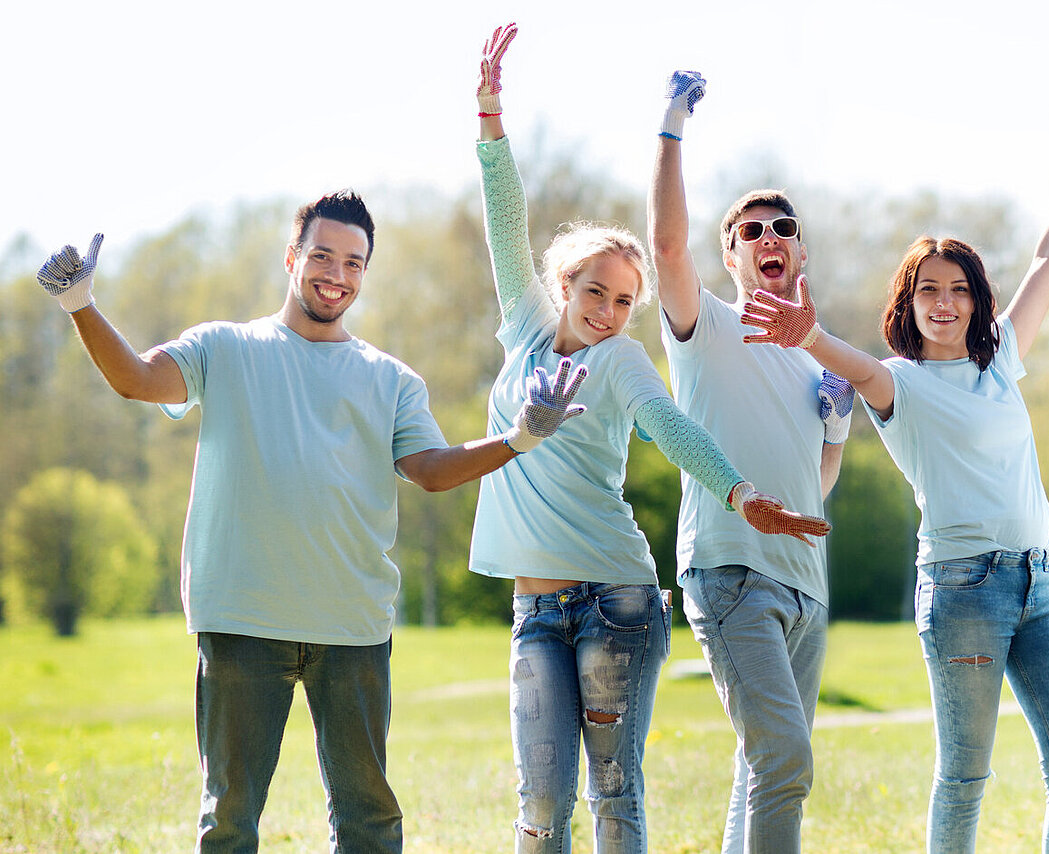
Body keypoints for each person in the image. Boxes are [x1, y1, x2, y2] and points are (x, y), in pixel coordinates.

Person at [34, 190, 586, 853]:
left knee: (368, 822)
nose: (338, 274)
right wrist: (80, 306)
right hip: (244, 618)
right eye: (323, 256)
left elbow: (432, 469)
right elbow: (136, 380)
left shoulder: (392, 380)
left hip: (351, 625)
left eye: (355, 263)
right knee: (229, 819)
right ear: (292, 256)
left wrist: (519, 438)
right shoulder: (225, 348)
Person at [465, 27, 829, 852]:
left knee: (616, 801)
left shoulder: (625, 360)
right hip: (533, 607)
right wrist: (490, 118)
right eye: (596, 291)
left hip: (619, 601)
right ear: (563, 286)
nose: (609, 310)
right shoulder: (524, 327)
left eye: (627, 300)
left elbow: (674, 427)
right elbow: (503, 218)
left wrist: (738, 492)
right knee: (539, 807)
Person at [738, 164, 1049, 849]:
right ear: (907, 303)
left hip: (1044, 581)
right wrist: (807, 333)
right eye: (929, 289)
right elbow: (855, 364)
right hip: (965, 589)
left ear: (977, 301)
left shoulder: (1002, 362)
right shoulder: (899, 383)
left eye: (960, 290)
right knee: (964, 778)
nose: (945, 302)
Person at [648, 69, 852, 853]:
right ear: (731, 258)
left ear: (801, 250)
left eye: (784, 228)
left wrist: (835, 429)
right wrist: (671, 128)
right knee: (785, 758)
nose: (770, 238)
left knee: (760, 766)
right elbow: (666, 245)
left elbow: (816, 485)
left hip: (807, 589)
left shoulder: (814, 361)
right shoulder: (706, 327)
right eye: (751, 233)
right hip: (732, 573)